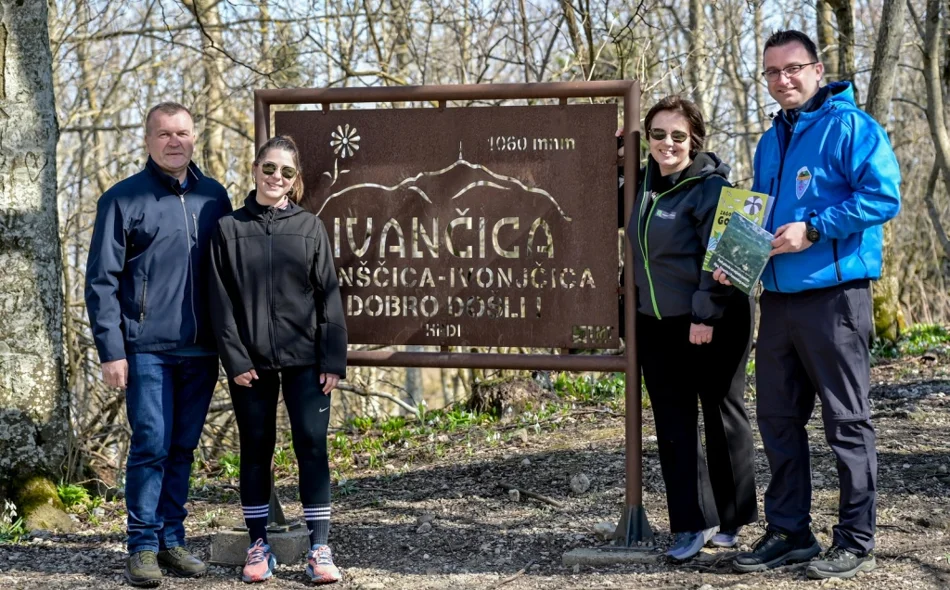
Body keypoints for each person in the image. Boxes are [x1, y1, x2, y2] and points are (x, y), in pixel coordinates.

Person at [713, 30, 901, 579]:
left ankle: (856, 539)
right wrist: (736, 257)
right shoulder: (771, 139)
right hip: (777, 300)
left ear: (818, 70)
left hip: (836, 299)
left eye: (792, 69)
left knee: (847, 421)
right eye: (771, 73)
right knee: (776, 419)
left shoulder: (853, 127)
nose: (782, 81)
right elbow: (764, 215)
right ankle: (791, 530)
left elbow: (883, 196)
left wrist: (815, 230)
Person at [85, 102, 232, 586]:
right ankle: (142, 546)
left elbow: (231, 274)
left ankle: (172, 540)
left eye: (183, 133)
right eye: (164, 134)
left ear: (195, 137)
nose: (174, 142)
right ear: (148, 140)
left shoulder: (215, 197)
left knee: (184, 448)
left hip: (202, 349)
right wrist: (112, 350)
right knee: (151, 445)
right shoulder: (123, 199)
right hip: (145, 349)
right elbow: (101, 282)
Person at [208, 135, 348, 584]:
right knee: (255, 450)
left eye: (286, 172)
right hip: (251, 364)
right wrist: (235, 358)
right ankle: (257, 545)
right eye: (269, 168)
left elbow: (329, 297)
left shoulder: (310, 227)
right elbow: (219, 302)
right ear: (255, 169)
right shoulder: (228, 229)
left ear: (296, 181)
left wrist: (332, 360)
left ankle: (319, 548)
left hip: (307, 361)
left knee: (311, 445)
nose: (276, 178)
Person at [624, 96, 758, 560]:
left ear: (694, 140)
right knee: (674, 423)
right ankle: (690, 524)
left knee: (722, 413)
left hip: (714, 316)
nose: (667, 144)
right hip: (656, 322)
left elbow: (729, 255)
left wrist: (705, 314)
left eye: (677, 136)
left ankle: (734, 517)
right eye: (657, 134)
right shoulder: (639, 185)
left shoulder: (713, 187)